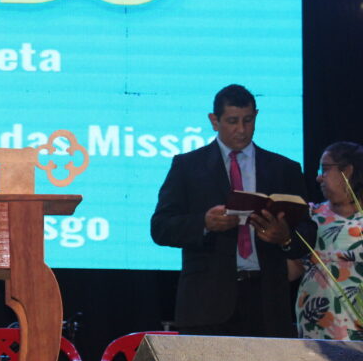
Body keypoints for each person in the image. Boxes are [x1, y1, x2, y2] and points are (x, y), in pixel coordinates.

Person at [150, 84, 315, 337]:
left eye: (248, 120)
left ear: (256, 116)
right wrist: (204, 223)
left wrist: (285, 237)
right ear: (214, 121)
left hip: (267, 303)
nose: (241, 129)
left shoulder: (284, 168)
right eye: (232, 121)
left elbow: (308, 232)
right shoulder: (187, 166)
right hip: (205, 303)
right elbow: (160, 227)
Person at [296, 141, 363, 340]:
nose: (319, 177)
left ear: (347, 171)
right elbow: (292, 269)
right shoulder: (310, 215)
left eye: (325, 169)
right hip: (315, 326)